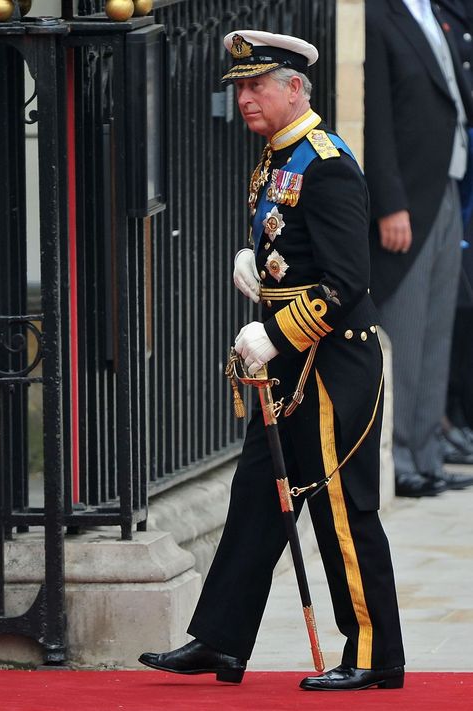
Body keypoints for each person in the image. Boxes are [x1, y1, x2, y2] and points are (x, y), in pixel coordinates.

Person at [139, 29, 405, 691]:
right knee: (256, 493)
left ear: (294, 88)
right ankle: (222, 639)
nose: (245, 98)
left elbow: (346, 282)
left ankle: (375, 653)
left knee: (342, 506)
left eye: (257, 86)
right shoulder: (274, 157)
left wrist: (276, 331)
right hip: (288, 362)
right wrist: (255, 268)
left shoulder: (327, 162)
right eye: (240, 87)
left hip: (331, 362)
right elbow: (295, 246)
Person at [364, 0, 473, 498]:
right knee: (405, 331)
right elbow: (376, 117)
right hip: (407, 197)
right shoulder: (376, 15)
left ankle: (428, 454)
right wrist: (390, 204)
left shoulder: (438, 14)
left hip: (446, 184)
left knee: (436, 330)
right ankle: (401, 457)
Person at [433, 0, 473, 464]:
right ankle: (445, 418)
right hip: (449, 177)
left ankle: (456, 415)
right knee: (455, 302)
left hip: (464, 165)